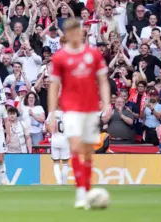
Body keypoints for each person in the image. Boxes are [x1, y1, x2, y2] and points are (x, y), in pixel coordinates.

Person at [48, 18, 111, 209]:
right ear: (66, 35)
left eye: (78, 31)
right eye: (71, 32)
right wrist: (52, 113)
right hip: (70, 109)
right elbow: (53, 86)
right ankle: (81, 193)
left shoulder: (93, 55)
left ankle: (86, 186)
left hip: (91, 108)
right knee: (75, 147)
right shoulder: (59, 57)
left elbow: (102, 80)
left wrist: (106, 103)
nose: (75, 35)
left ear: (82, 33)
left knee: (88, 152)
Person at [47, 110, 70, 185]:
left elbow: (46, 127)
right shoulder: (68, 113)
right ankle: (64, 182)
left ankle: (58, 181)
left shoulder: (52, 113)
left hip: (55, 140)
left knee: (56, 162)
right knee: (65, 163)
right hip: (65, 141)